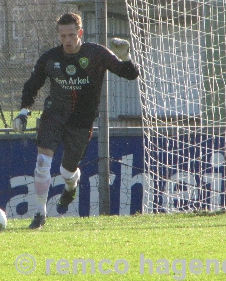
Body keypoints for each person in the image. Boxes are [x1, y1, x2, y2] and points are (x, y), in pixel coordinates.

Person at [12, 12, 139, 229]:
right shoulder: (51, 58)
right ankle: (39, 214)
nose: (67, 40)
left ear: (80, 33)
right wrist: (24, 111)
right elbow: (33, 84)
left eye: (71, 35)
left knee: (67, 172)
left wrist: (125, 56)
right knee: (42, 162)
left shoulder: (96, 53)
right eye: (62, 36)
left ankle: (71, 186)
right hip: (54, 115)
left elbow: (130, 75)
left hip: (81, 121)